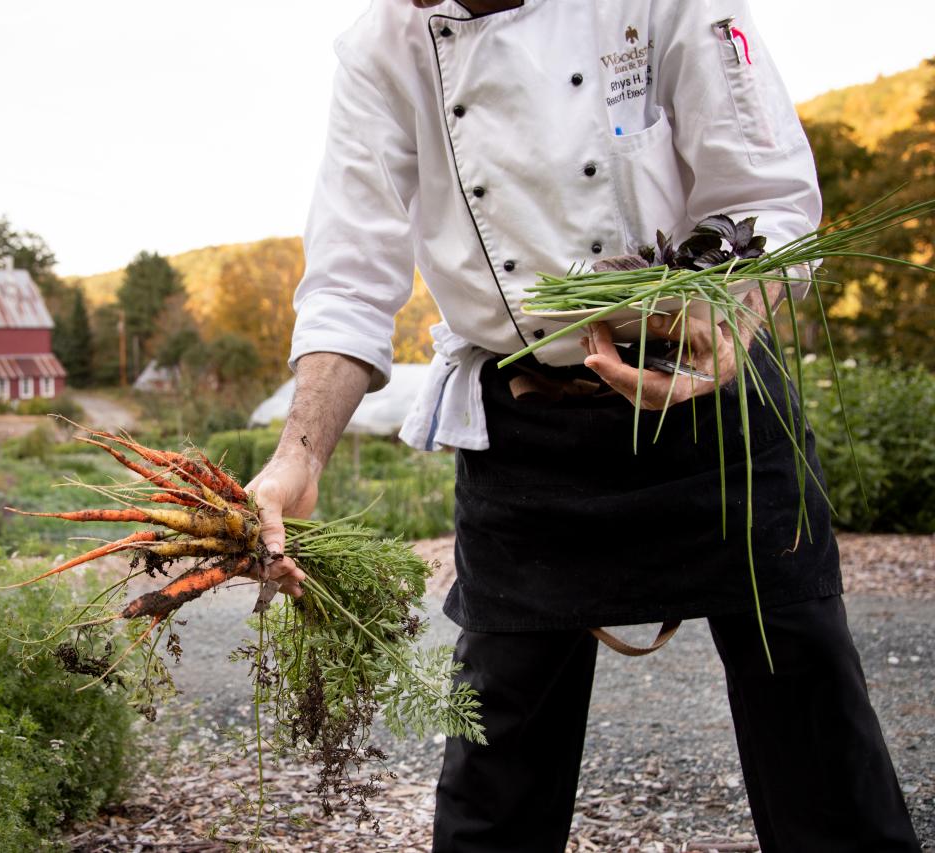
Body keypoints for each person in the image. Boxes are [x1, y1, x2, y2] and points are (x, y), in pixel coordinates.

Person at [245, 0, 922, 851]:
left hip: (710, 406)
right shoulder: (384, 44)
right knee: (496, 778)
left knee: (817, 736)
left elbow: (767, 195)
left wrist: (727, 320)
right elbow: (349, 278)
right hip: (530, 428)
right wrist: (298, 455)